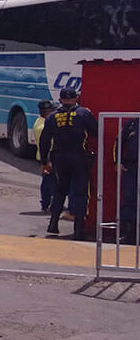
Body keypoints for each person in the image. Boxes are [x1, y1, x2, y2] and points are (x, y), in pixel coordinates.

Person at [39, 87, 97, 240]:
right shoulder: (84, 113)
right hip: (79, 157)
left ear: (60, 101)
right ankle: (78, 229)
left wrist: (44, 161)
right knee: (80, 192)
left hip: (59, 158)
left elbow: (44, 141)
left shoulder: (52, 117)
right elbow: (96, 132)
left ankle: (53, 223)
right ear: (76, 98)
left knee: (59, 190)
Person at [117, 116, 138, 245]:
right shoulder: (131, 124)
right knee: (130, 199)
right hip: (131, 168)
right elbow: (118, 142)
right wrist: (117, 162)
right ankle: (129, 234)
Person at [34, 99, 56, 212]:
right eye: (52, 110)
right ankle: (46, 204)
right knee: (49, 183)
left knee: (48, 181)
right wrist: (47, 161)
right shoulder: (42, 126)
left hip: (45, 157)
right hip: (48, 158)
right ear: (46, 112)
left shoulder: (40, 121)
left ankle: (46, 203)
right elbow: (46, 145)